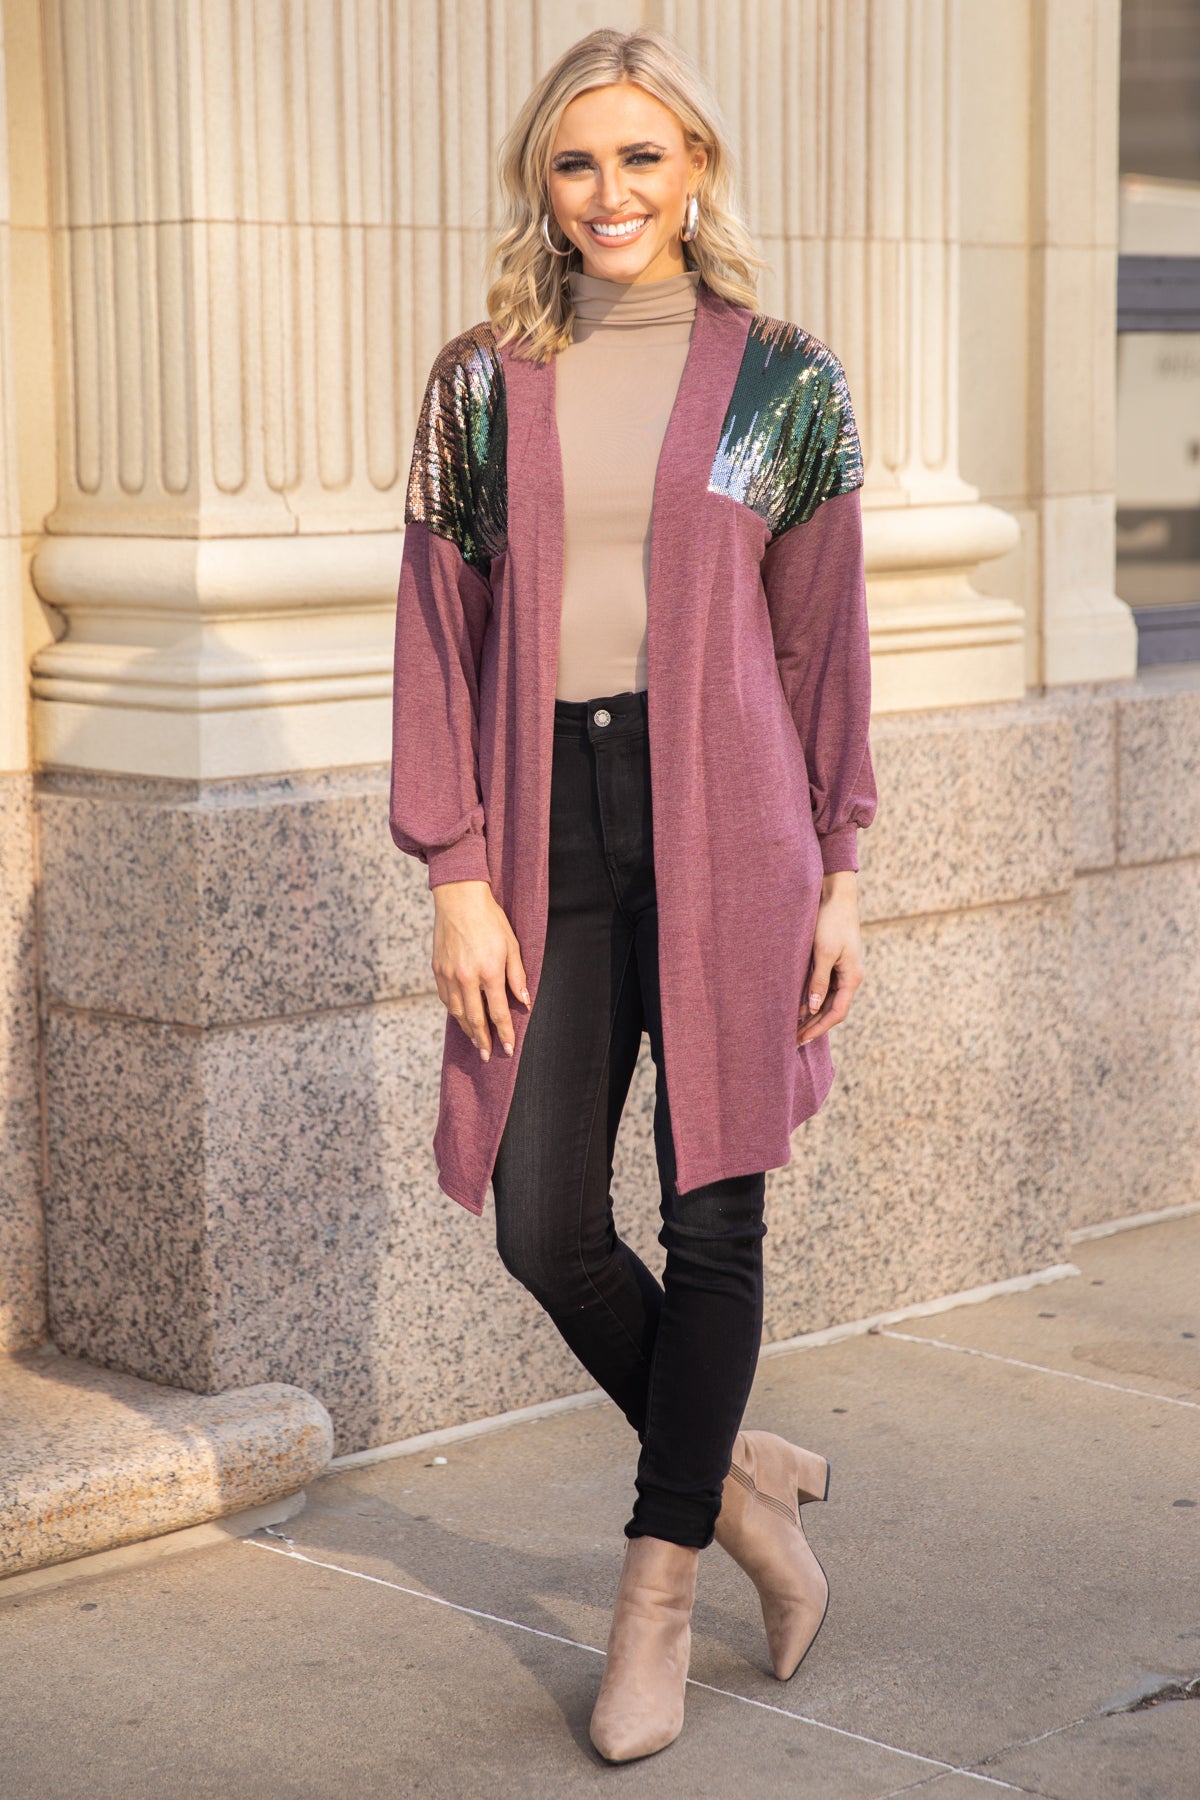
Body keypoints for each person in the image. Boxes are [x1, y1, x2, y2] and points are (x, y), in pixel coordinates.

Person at [389, 25, 878, 1767]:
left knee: (713, 1218)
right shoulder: (479, 380)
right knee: (543, 1220)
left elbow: (820, 643)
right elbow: (438, 635)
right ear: (544, 179)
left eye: (643, 157)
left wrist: (838, 867)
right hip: (547, 830)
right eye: (578, 159)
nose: (611, 191)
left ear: (697, 171)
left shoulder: (784, 382)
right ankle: (739, 1481)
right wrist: (457, 869)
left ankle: (660, 1596)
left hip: (734, 826)